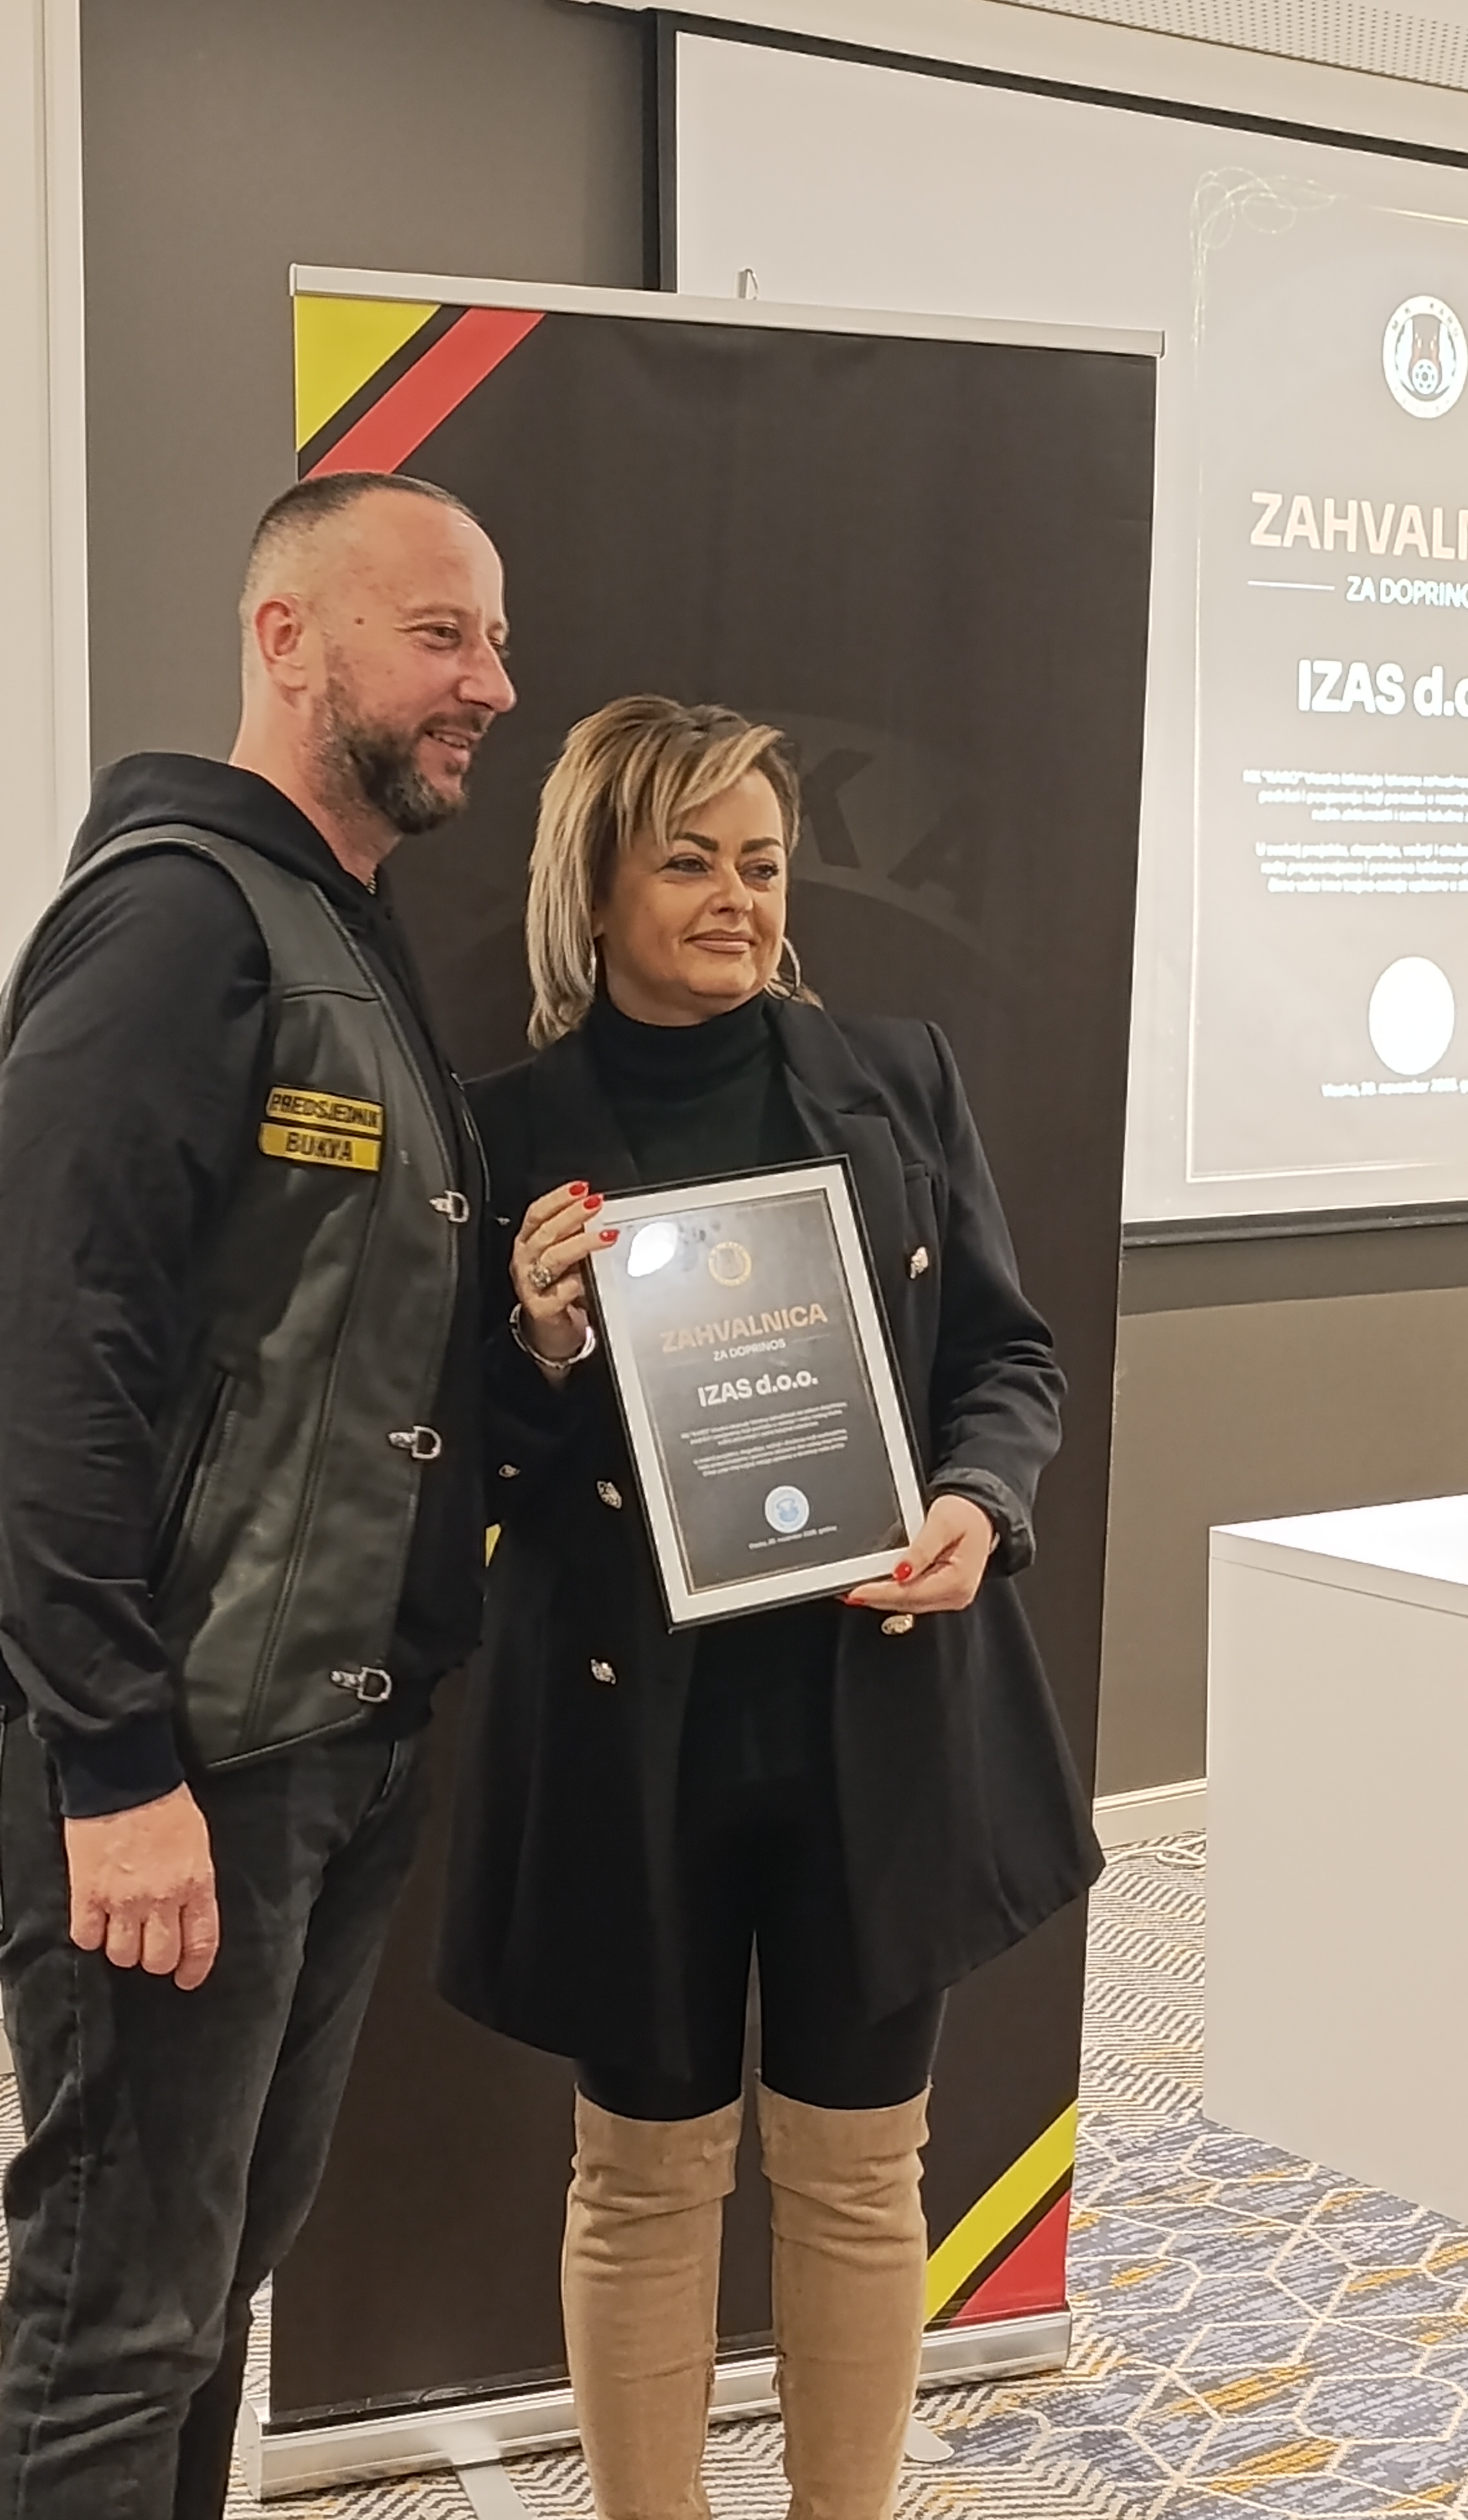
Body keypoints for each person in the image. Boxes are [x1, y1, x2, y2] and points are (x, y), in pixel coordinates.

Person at [439, 693, 1101, 2520]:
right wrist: (539, 1342)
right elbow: (453, 1467)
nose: (738, 898)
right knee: (642, 2183)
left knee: (862, 2173)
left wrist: (977, 1501)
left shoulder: (897, 1079)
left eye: (762, 862)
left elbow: (1006, 1360)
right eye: (690, 862)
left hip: (866, 1714)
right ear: (594, 881)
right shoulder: (499, 1136)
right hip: (629, 1736)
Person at [0, 469, 515, 2515]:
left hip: (323, 1748)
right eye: (442, 633)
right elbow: (50, 1357)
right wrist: (114, 1765)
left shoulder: (335, 928)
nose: (492, 682)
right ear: (286, 639)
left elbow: (308, 1338)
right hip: (184, 1768)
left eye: (493, 638)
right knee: (116, 2322)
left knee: (203, 2295)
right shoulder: (173, 923)